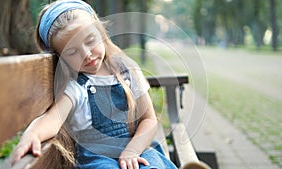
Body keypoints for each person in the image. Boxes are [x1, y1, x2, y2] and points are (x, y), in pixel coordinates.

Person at [11, 0, 178, 168]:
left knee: (151, 165)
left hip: (136, 146)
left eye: (90, 41)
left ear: (101, 34)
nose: (87, 55)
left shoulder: (127, 70)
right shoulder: (77, 87)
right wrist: (32, 133)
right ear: (61, 58)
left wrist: (132, 151)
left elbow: (148, 119)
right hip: (97, 156)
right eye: (72, 51)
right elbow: (53, 119)